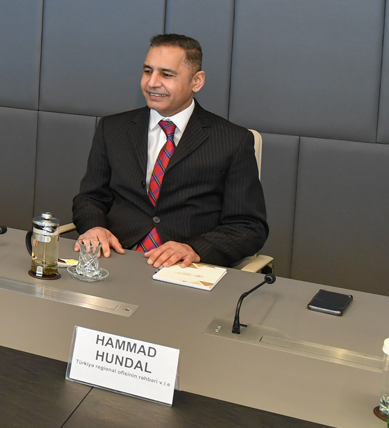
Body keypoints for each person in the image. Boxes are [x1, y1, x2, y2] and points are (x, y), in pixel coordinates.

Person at [71, 34, 268, 269]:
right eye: (147, 71)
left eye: (166, 74)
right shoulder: (112, 128)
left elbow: (249, 226)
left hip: (184, 269)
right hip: (116, 258)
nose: (152, 83)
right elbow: (90, 198)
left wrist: (196, 249)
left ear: (197, 81)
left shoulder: (233, 140)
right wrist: (94, 226)